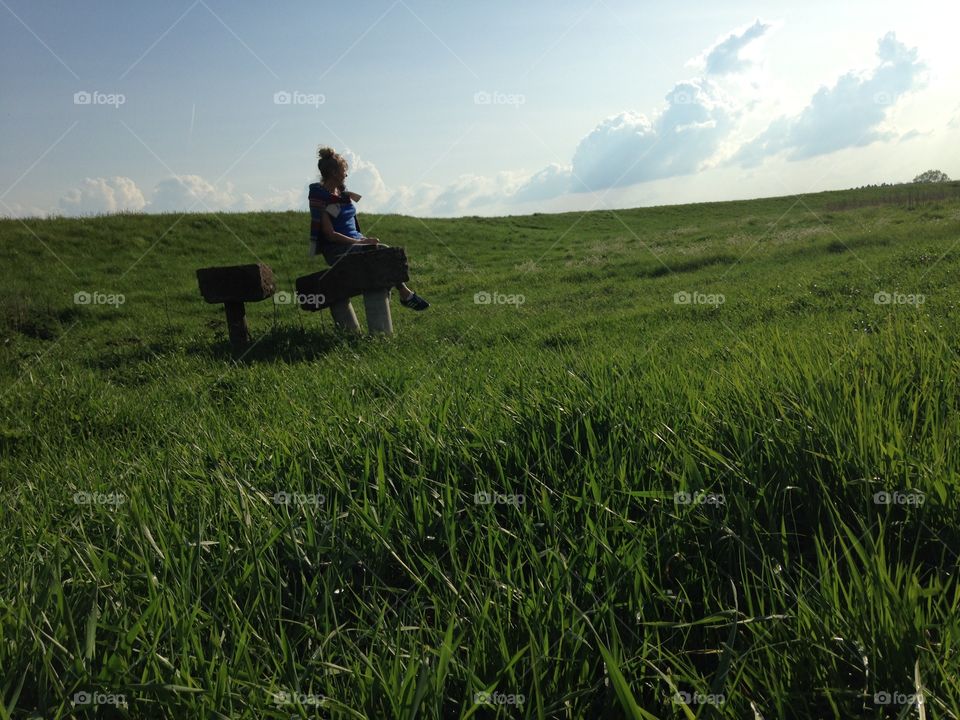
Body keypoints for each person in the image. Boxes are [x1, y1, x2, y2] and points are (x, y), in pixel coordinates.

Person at [309, 147, 429, 311]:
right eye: (344, 171)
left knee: (384, 253)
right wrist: (361, 242)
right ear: (334, 172)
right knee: (384, 252)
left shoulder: (340, 195)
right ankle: (405, 294)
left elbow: (344, 222)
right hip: (337, 251)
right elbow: (331, 235)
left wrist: (362, 240)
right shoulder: (320, 197)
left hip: (354, 244)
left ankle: (401, 295)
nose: (346, 175)